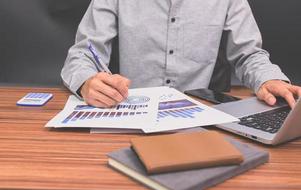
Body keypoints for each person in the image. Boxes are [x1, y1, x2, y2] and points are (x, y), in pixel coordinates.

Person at [62, 0, 301, 108]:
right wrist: (86, 82)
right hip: (130, 113)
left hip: (202, 120)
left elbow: (248, 54)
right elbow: (83, 54)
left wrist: (269, 79)